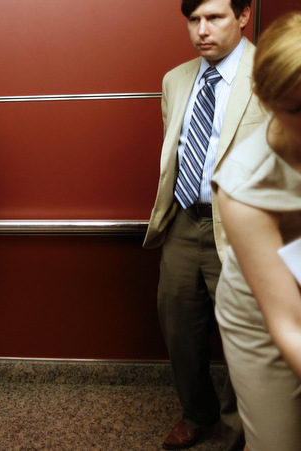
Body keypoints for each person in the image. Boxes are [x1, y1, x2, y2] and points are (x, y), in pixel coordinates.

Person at [142, 0, 268, 449]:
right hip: (182, 223)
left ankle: (239, 430)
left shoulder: (271, 73)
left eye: (213, 17)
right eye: (193, 20)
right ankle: (197, 415)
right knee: (179, 326)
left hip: (244, 230)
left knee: (245, 337)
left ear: (243, 14)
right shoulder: (175, 80)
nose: (201, 30)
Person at [212, 11, 301, 450]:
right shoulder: (245, 185)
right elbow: (289, 325)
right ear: (268, 103)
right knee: (278, 440)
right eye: (299, 109)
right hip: (262, 309)